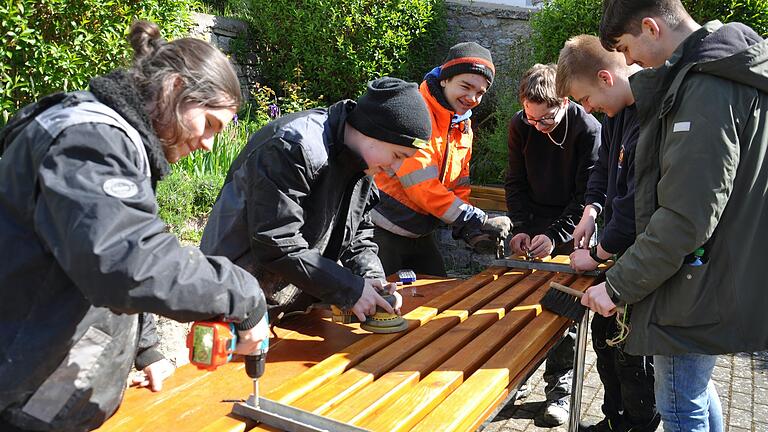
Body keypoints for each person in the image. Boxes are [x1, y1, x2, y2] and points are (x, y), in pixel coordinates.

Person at [0, 21, 268, 432]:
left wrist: (145, 349)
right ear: (175, 88)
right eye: (210, 123)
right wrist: (243, 295)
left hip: (49, 392)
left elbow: (105, 248)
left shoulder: (119, 140)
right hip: (22, 395)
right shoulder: (89, 140)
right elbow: (126, 262)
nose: (210, 144)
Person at [581, 1, 768, 430]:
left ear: (650, 27)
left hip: (696, 281)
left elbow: (686, 217)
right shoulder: (722, 73)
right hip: (715, 273)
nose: (629, 62)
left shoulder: (707, 87)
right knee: (694, 391)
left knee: (679, 403)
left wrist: (617, 285)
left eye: (628, 48)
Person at [201, 77, 434, 323]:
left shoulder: (363, 162)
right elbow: (277, 242)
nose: (394, 169)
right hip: (234, 302)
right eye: (398, 155)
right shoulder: (293, 146)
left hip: (293, 304)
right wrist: (350, 290)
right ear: (374, 131)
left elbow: (358, 234)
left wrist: (371, 278)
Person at [556, 34, 659, 432]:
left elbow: (636, 203)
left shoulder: (649, 116)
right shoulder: (615, 114)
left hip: (638, 262)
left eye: (585, 100)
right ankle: (614, 420)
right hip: (615, 253)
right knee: (605, 339)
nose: (588, 109)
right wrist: (590, 210)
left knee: (632, 355)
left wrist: (597, 253)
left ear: (605, 77)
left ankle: (639, 424)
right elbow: (603, 170)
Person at [505, 63, 601, 426]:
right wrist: (521, 228)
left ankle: (559, 389)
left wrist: (557, 236)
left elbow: (588, 195)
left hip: (574, 226)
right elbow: (515, 181)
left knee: (563, 313)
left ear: (564, 100)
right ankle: (516, 376)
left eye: (545, 120)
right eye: (530, 118)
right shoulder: (521, 125)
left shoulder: (588, 129)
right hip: (535, 220)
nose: (536, 127)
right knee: (519, 305)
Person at [370, 42, 512, 276]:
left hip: (421, 232)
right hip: (382, 230)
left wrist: (472, 232)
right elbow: (421, 187)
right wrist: (478, 219)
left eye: (480, 92)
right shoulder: (417, 113)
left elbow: (459, 182)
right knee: (379, 305)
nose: (472, 97)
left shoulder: (463, 125)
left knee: (440, 293)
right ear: (445, 79)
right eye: (466, 86)